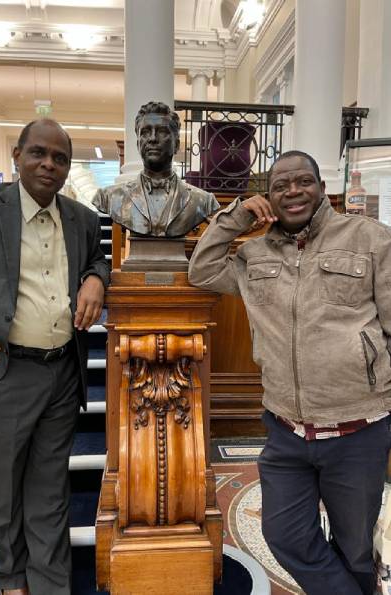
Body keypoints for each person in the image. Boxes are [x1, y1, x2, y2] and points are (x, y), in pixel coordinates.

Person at [188, 150, 391, 595]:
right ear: (269, 197)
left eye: (303, 182)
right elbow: (201, 270)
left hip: (357, 429)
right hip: (286, 431)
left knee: (355, 549)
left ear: (322, 188)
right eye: (280, 186)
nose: (293, 192)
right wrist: (236, 218)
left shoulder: (370, 238)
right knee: (284, 534)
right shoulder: (255, 253)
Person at [0, 118, 110, 595]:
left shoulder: (81, 217)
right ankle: (11, 580)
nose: (48, 164)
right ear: (16, 156)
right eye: (38, 153)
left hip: (61, 371)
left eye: (60, 158)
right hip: (1, 371)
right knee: (6, 488)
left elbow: (96, 260)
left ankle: (51, 586)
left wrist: (97, 277)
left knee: (51, 489)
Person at [92, 101, 219, 237]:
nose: (152, 139)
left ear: (176, 144)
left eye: (162, 132)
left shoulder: (203, 201)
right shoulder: (110, 197)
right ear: (138, 144)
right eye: (145, 132)